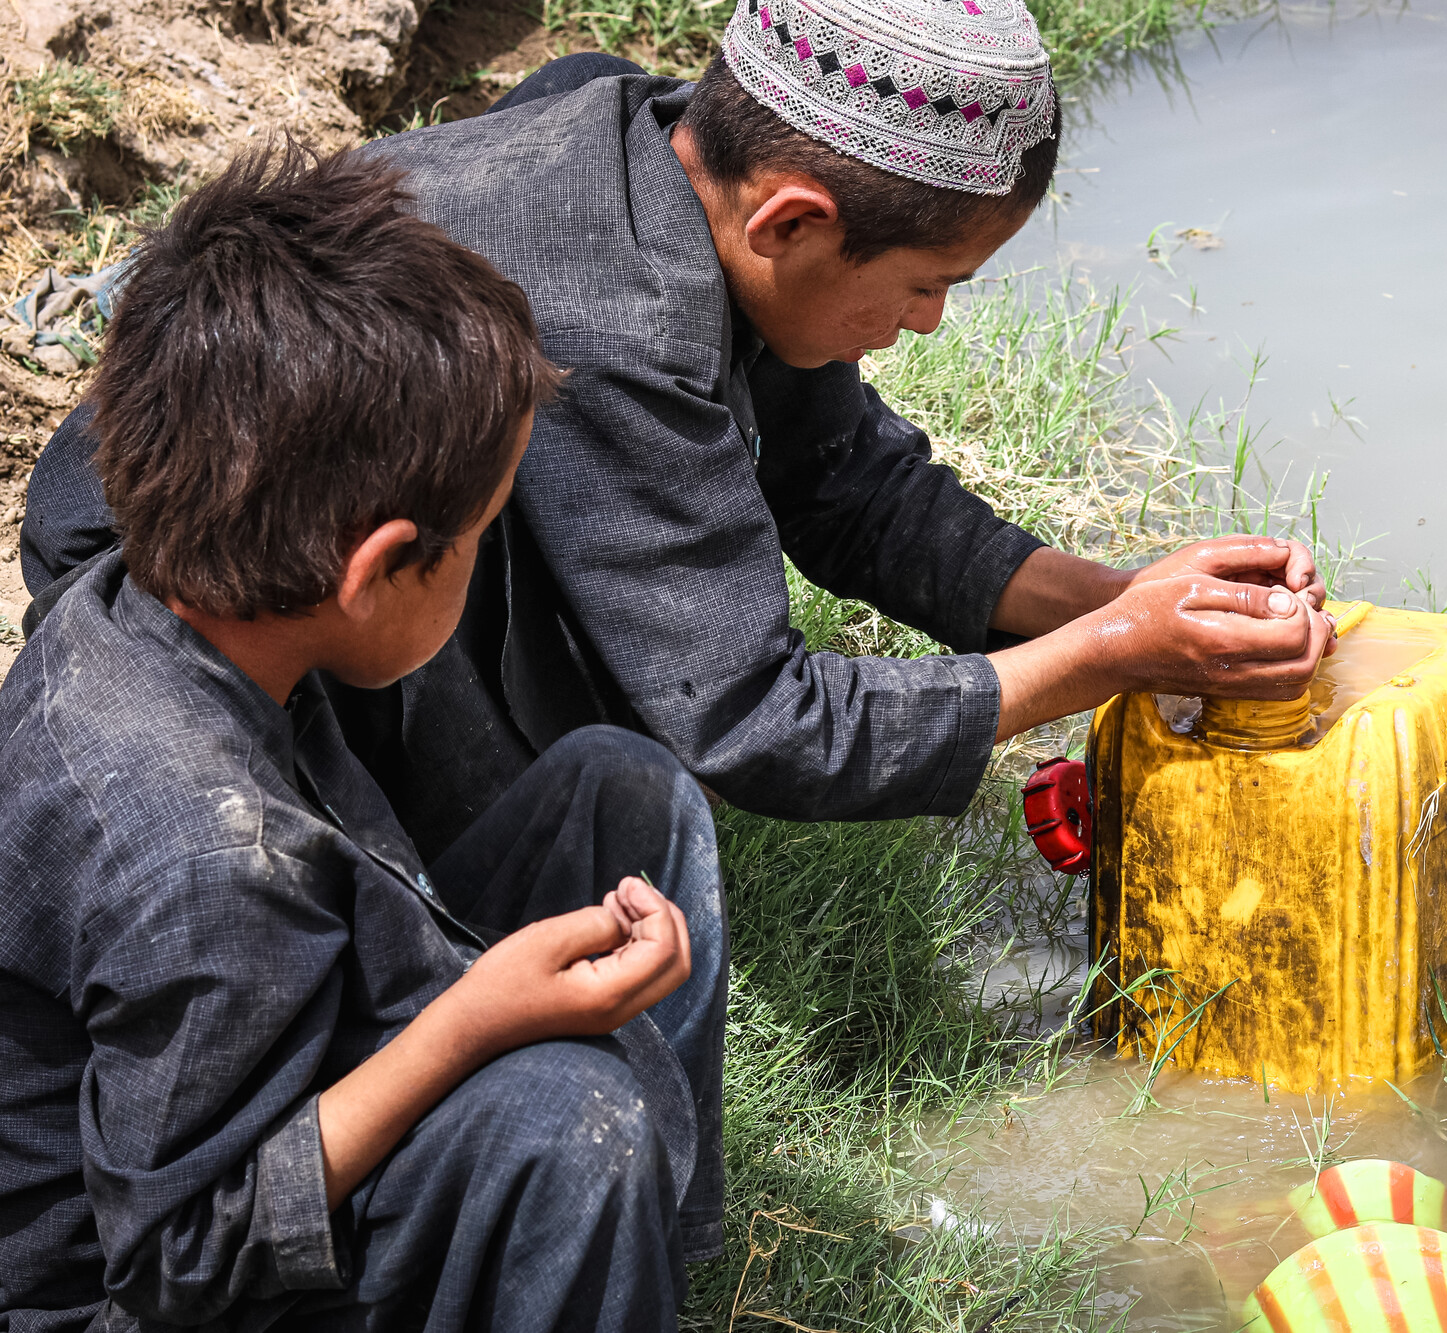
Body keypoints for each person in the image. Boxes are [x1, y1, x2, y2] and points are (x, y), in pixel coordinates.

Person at [17, 0, 1333, 858]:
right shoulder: (619, 325)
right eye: (930, 284)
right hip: (196, 590)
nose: (930, 322)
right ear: (791, 223)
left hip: (282, 508)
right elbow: (756, 717)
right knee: (600, 813)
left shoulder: (669, 154)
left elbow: (841, 482)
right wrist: (1107, 654)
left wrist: (1118, 601)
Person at [0, 144, 727, 1331]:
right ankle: (591, 1235)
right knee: (565, 1123)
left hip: (232, 1065)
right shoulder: (205, 863)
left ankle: (657, 1272)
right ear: (380, 565)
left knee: (621, 794)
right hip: (135, 1283)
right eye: (481, 534)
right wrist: (471, 1022)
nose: (485, 557)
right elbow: (184, 1255)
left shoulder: (170, 591)